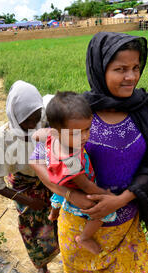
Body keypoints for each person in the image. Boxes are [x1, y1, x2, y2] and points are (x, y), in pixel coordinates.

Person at [30, 32, 148, 273]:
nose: (131, 76)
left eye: (135, 68)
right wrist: (71, 195)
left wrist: (119, 201)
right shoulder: (78, 110)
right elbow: (37, 159)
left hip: (126, 228)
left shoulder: (146, 110)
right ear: (99, 67)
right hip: (80, 230)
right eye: (120, 69)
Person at [0, 80, 60, 273]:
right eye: (28, 120)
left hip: (51, 175)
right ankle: (41, 265)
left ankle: (65, 253)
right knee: (32, 226)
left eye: (38, 118)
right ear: (15, 116)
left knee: (59, 217)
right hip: (25, 183)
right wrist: (27, 200)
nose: (35, 125)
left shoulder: (46, 117)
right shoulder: (3, 139)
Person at [30, 92, 117, 255]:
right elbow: (87, 185)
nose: (84, 137)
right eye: (76, 133)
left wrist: (49, 134)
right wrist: (106, 195)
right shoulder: (71, 160)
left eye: (87, 129)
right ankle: (84, 237)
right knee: (106, 213)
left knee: (57, 197)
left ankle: (53, 213)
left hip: (61, 183)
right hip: (78, 189)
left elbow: (36, 135)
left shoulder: (53, 136)